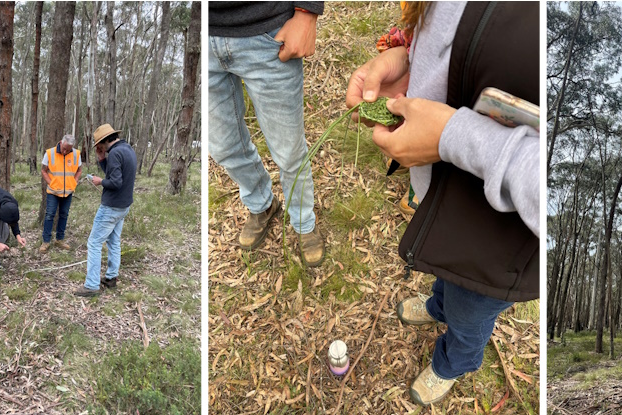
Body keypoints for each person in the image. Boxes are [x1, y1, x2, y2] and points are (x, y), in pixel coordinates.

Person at [346, 2, 539, 406]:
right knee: (445, 271)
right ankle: (438, 306)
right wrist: (407, 61)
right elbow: (456, 35)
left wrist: (453, 137)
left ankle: (456, 361)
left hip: (499, 236)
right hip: (444, 197)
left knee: (470, 313)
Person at [207, 1, 326, 267]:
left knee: (289, 151)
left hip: (268, 31)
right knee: (224, 147)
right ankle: (262, 204)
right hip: (202, 37)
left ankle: (303, 221)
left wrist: (307, 12)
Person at [74, 123, 137, 297]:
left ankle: (92, 285)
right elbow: (115, 174)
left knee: (94, 243)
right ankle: (111, 278)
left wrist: (99, 181)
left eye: (99, 146)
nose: (99, 148)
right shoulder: (127, 149)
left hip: (111, 206)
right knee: (113, 241)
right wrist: (102, 159)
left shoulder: (116, 153)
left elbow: (115, 182)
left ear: (103, 141)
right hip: (124, 206)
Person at [40, 134, 83, 253]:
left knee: (64, 215)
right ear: (60, 142)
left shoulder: (76, 154)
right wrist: (50, 182)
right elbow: (44, 170)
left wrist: (75, 181)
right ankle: (46, 241)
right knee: (50, 215)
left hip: (68, 191)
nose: (65, 151)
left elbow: (79, 170)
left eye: (68, 150)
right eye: (64, 148)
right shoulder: (50, 153)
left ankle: (59, 239)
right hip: (53, 191)